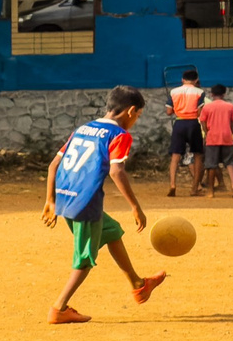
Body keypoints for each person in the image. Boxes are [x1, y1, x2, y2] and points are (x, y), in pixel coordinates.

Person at [44, 86, 165, 324]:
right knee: (84, 259)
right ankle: (59, 308)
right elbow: (116, 171)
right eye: (138, 116)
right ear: (131, 111)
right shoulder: (119, 135)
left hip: (66, 197)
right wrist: (135, 207)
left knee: (112, 231)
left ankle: (138, 285)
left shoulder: (83, 129)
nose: (136, 121)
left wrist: (50, 200)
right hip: (85, 203)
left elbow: (53, 166)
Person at [167, 68, 205, 196]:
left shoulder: (173, 92)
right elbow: (200, 112)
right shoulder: (200, 92)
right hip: (193, 123)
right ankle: (194, 188)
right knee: (198, 155)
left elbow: (168, 111)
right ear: (196, 80)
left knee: (175, 156)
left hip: (179, 122)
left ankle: (172, 184)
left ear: (182, 80)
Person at [202, 83, 233, 196]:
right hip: (227, 136)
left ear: (212, 94)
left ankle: (210, 191)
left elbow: (203, 122)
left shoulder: (207, 107)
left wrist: (207, 133)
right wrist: (230, 133)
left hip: (212, 137)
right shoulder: (230, 106)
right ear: (224, 94)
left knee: (211, 164)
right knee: (229, 162)